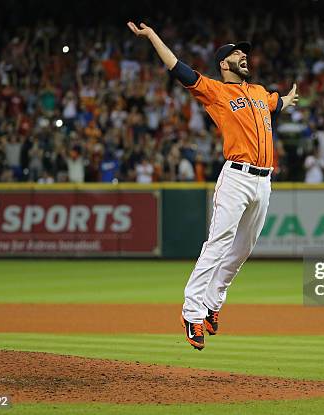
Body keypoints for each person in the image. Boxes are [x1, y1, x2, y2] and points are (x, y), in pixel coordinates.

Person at [128, 20, 298, 350]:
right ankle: (192, 312)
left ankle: (211, 306)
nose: (244, 57)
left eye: (245, 54)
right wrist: (152, 37)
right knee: (218, 243)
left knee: (243, 249)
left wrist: (288, 100)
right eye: (237, 54)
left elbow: (277, 103)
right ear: (224, 64)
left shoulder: (260, 93)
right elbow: (177, 68)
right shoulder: (217, 91)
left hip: (264, 183)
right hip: (236, 177)